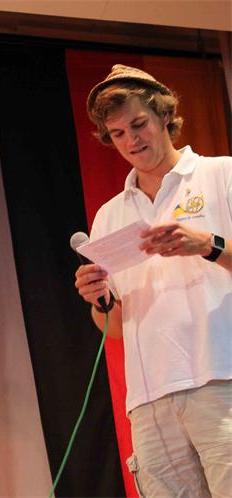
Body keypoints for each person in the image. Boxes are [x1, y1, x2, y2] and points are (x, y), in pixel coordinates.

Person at [74, 64, 232, 497]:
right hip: (150, 400)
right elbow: (115, 327)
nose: (132, 140)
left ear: (165, 114)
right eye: (117, 134)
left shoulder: (221, 175)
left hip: (222, 378)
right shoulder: (110, 215)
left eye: (139, 124)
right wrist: (99, 299)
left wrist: (208, 245)